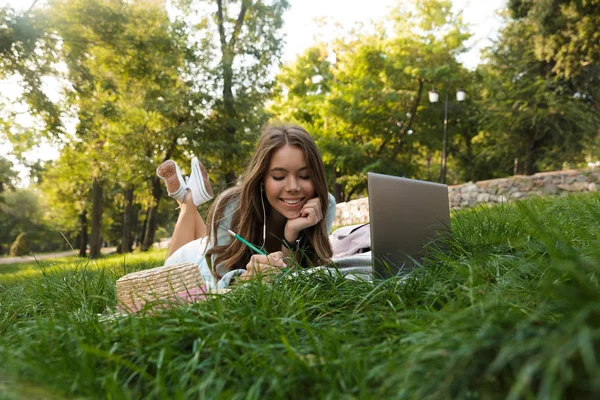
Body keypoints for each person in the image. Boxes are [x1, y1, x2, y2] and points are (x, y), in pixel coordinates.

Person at [156, 124, 336, 289]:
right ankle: (187, 199)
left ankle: (185, 194)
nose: (293, 187)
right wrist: (246, 279)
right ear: (262, 178)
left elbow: (294, 277)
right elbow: (219, 283)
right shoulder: (230, 206)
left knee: (206, 240)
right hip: (197, 261)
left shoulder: (323, 205)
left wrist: (291, 236)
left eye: (304, 176)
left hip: (213, 243)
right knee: (166, 269)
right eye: (279, 177)